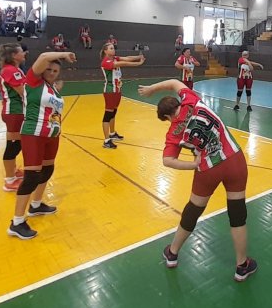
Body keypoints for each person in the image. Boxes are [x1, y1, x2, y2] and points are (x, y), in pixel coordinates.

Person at [137, 79, 257, 282]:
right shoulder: (190, 99)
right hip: (234, 161)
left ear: (167, 117)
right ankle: (241, 265)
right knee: (237, 213)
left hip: (207, 170)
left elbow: (167, 160)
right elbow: (174, 83)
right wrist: (152, 89)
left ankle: (172, 253)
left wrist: (193, 164)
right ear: (178, 102)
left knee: (193, 210)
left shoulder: (174, 133)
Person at [7, 50, 76, 240]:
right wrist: (64, 54)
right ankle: (17, 222)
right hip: (34, 133)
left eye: (55, 71)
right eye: (49, 69)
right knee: (31, 177)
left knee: (47, 171)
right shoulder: (33, 81)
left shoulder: (53, 89)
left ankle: (36, 205)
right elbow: (44, 57)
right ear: (42, 70)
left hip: (52, 135)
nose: (52, 73)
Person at [100, 43, 145, 149]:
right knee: (108, 115)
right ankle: (106, 141)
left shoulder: (115, 58)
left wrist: (138, 56)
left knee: (113, 112)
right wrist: (138, 63)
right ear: (105, 51)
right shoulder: (106, 62)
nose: (113, 49)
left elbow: (127, 58)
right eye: (111, 48)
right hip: (110, 91)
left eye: (113, 48)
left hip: (117, 90)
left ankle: (112, 133)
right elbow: (124, 63)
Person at [0, 43, 27, 191]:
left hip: (17, 111)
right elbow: (23, 92)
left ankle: (13, 172)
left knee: (16, 143)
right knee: (14, 145)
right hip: (14, 112)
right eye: (21, 52)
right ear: (14, 55)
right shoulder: (10, 71)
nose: (24, 53)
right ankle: (9, 180)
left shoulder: (16, 70)